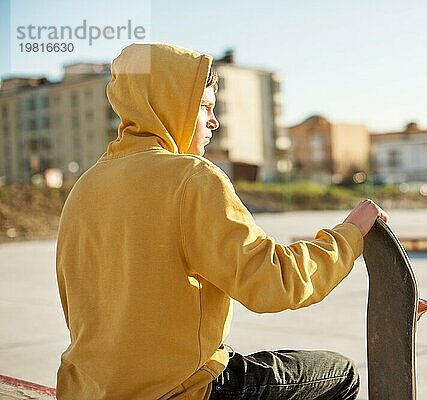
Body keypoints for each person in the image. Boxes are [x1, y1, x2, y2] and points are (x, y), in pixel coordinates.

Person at [55, 42, 389, 400]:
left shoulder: (85, 186)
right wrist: (349, 234)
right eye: (204, 107)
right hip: (180, 391)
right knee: (340, 374)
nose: (213, 121)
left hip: (87, 390)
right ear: (170, 104)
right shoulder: (191, 178)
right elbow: (275, 282)